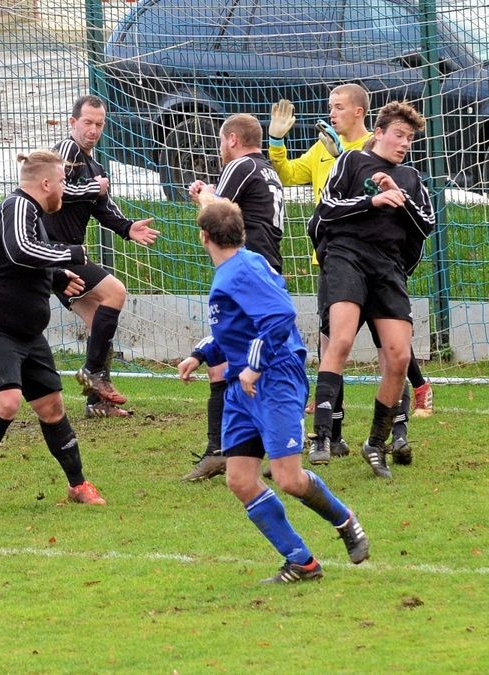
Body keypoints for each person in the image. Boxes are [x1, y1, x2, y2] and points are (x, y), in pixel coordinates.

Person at [178, 201, 369, 583]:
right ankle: (301, 561)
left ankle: (345, 520)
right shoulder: (237, 267)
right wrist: (202, 354)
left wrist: (255, 364)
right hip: (241, 385)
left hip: (273, 379)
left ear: (203, 237)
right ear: (241, 232)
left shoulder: (243, 269)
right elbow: (238, 327)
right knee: (240, 479)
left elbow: (280, 317)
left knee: (289, 478)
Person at [270, 84, 433, 465]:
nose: (405, 143)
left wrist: (399, 196)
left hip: (388, 268)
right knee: (339, 341)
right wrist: (371, 200)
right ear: (378, 132)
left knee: (396, 356)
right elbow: (325, 210)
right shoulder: (351, 162)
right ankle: (323, 436)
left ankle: (378, 441)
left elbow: (425, 225)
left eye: (409, 138)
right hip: (346, 258)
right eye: (399, 135)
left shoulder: (410, 177)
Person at [0, 150, 107, 512]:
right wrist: (75, 255)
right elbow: (20, 251)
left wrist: (56, 276)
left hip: (26, 330)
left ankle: (77, 484)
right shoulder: (17, 205)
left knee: (52, 406)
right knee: (7, 402)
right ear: (45, 184)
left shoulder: (32, 214)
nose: (65, 190)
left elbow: (25, 258)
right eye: (62, 183)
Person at [182, 113, 284, 481]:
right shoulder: (265, 168)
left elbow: (218, 215)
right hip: (266, 265)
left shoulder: (240, 164)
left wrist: (202, 194)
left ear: (233, 140)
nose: (221, 148)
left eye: (222, 142)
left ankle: (222, 450)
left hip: (247, 269)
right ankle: (254, 447)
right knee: (247, 356)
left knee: (232, 358)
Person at [45, 96, 159, 418]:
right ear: (72, 123)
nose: (93, 130)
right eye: (87, 123)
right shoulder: (67, 152)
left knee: (100, 325)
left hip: (64, 253)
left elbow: (102, 208)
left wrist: (127, 227)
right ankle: (91, 375)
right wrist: (93, 189)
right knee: (116, 292)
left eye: (99, 124)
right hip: (54, 250)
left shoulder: (94, 167)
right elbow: (55, 188)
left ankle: (97, 403)